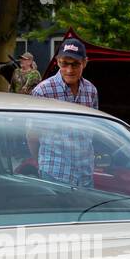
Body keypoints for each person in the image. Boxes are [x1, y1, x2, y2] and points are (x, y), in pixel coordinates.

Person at [30, 38, 99, 186]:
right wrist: (41, 164)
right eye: (64, 63)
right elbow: (32, 135)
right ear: (57, 61)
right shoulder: (42, 92)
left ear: (85, 63)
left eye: (75, 64)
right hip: (54, 174)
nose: (69, 69)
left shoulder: (91, 91)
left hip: (85, 175)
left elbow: (93, 130)